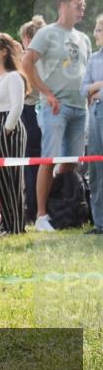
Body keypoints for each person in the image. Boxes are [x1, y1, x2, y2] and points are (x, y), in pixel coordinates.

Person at [22, 0, 92, 232]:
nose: (82, 9)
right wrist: (46, 92)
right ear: (63, 6)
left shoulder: (83, 38)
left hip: (80, 106)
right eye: (78, 5)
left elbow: (86, 71)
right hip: (55, 106)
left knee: (71, 162)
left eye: (83, 6)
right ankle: (41, 215)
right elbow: (26, 62)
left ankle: (61, 206)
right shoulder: (47, 33)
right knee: (49, 159)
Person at [0, 33, 29, 235]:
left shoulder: (14, 77)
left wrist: (6, 130)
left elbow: (17, 106)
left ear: (4, 51)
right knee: (0, 179)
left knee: (13, 179)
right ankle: (6, 224)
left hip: (9, 129)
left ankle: (17, 226)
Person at [18, 16, 46, 222]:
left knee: (31, 161)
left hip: (28, 112)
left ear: (27, 39)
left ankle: (32, 210)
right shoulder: (49, 57)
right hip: (45, 111)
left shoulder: (27, 59)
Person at [82, 14, 103, 234]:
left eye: (98, 30)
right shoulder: (94, 59)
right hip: (95, 114)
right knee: (96, 170)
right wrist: (95, 86)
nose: (95, 34)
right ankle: (100, 223)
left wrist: (97, 90)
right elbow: (83, 88)